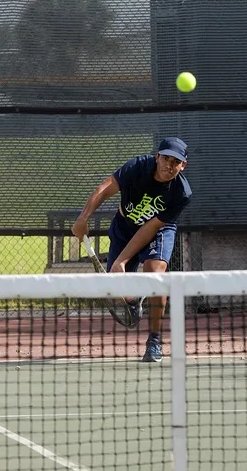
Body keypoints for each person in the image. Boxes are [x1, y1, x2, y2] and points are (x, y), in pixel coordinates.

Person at [71, 137, 192, 363]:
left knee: (157, 279)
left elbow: (150, 227)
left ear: (183, 165)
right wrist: (83, 218)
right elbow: (106, 188)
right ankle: (133, 299)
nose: (169, 165)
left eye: (175, 162)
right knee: (118, 286)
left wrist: (122, 260)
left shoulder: (181, 193)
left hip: (157, 232)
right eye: (165, 158)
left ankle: (154, 341)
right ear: (157, 157)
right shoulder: (137, 167)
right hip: (123, 228)